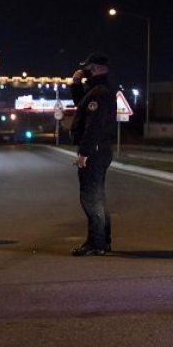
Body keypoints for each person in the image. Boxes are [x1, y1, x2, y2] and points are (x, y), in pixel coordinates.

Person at [69, 51, 116, 256]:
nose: (84, 71)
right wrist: (76, 84)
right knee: (97, 195)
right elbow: (82, 104)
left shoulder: (100, 92)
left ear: (94, 68)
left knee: (90, 196)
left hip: (95, 151)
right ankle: (102, 241)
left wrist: (84, 153)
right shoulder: (97, 90)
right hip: (100, 150)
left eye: (87, 68)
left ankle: (95, 243)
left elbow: (94, 125)